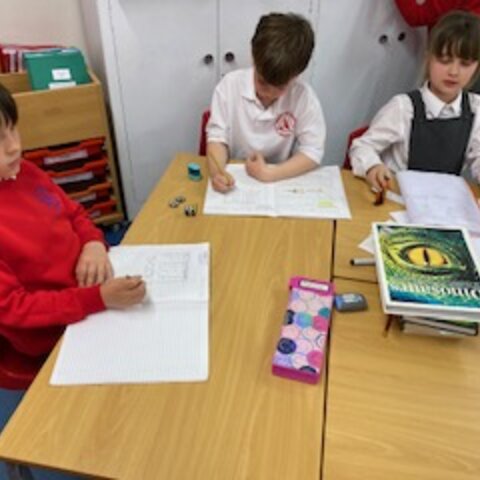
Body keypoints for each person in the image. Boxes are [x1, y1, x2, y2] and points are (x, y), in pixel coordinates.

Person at [0, 82, 146, 360]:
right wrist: (97, 299)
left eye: (13, 129)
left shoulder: (25, 172)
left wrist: (93, 243)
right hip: (53, 331)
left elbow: (73, 213)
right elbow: (15, 308)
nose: (14, 146)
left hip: (92, 290)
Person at [350, 10, 480, 192]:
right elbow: (362, 146)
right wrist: (373, 167)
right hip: (399, 198)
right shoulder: (403, 108)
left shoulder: (476, 108)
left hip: (444, 201)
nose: (454, 72)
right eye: (444, 60)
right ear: (428, 58)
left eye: (465, 64)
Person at [206, 12, 326, 193]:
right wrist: (217, 172)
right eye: (261, 82)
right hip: (237, 178)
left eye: (279, 87)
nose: (268, 93)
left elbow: (312, 151)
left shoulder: (303, 97)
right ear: (253, 56)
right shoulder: (229, 86)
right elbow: (217, 138)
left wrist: (271, 173)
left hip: (280, 179)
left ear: (297, 75)